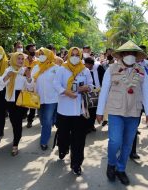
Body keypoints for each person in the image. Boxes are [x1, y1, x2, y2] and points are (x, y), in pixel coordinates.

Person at [96, 40, 148, 186]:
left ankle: (121, 169)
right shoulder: (111, 69)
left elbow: (146, 91)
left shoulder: (141, 71)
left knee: (128, 143)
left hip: (134, 111)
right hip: (116, 110)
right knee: (115, 141)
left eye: (132, 53)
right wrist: (100, 111)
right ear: (121, 55)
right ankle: (111, 163)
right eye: (126, 53)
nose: (129, 56)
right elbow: (104, 91)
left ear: (136, 56)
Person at [53, 47, 93, 175]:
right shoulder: (62, 69)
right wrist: (66, 92)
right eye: (73, 55)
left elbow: (91, 86)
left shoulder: (85, 70)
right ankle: (63, 148)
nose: (75, 57)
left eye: (77, 55)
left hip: (79, 111)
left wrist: (86, 88)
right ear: (69, 55)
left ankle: (76, 163)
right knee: (64, 135)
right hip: (64, 110)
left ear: (81, 56)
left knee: (79, 139)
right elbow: (56, 84)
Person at [0, 52, 34, 156]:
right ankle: (17, 138)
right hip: (10, 99)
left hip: (21, 100)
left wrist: (29, 77)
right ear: (13, 59)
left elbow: (30, 87)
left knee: (17, 123)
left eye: (22, 59)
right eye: (18, 59)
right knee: (14, 122)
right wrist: (7, 77)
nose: (21, 61)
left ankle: (15, 144)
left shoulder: (25, 70)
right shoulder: (8, 70)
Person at [32, 47, 59, 151]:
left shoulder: (55, 68)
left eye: (44, 54)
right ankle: (51, 122)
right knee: (43, 119)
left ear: (49, 55)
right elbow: (32, 82)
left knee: (47, 120)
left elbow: (59, 83)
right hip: (38, 99)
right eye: (40, 53)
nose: (41, 55)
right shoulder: (36, 67)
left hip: (52, 99)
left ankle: (44, 141)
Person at [84, 57, 105, 132]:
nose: (88, 67)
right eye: (86, 65)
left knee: (94, 109)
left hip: (97, 92)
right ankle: (87, 126)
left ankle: (91, 125)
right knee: (87, 109)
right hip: (86, 92)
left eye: (89, 65)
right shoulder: (83, 69)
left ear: (92, 64)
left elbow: (104, 78)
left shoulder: (99, 68)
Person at [24, 44, 38, 128]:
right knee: (25, 103)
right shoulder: (23, 60)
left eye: (34, 50)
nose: (33, 51)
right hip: (24, 85)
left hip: (34, 84)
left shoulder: (38, 61)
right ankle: (24, 115)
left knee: (33, 105)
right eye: (32, 50)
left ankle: (30, 120)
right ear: (28, 51)